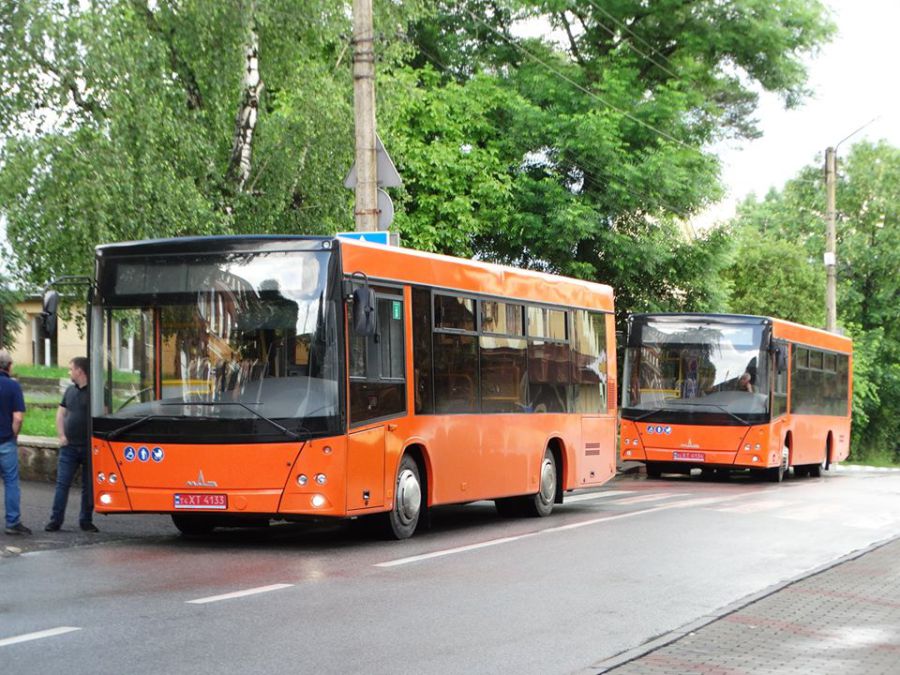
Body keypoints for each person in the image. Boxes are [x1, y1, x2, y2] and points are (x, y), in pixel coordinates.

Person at [45, 356, 98, 533]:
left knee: (88, 486)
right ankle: (55, 520)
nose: (69, 372)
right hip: (69, 447)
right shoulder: (69, 391)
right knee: (62, 484)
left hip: (89, 447)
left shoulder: (96, 392)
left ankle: (86, 520)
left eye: (71, 369)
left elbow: (103, 415)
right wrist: (62, 436)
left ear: (80, 371)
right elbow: (60, 414)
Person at [0, 349, 31, 535]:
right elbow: (18, 417)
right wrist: (12, 435)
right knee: (11, 482)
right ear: (9, 366)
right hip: (5, 441)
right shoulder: (13, 387)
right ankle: (12, 522)